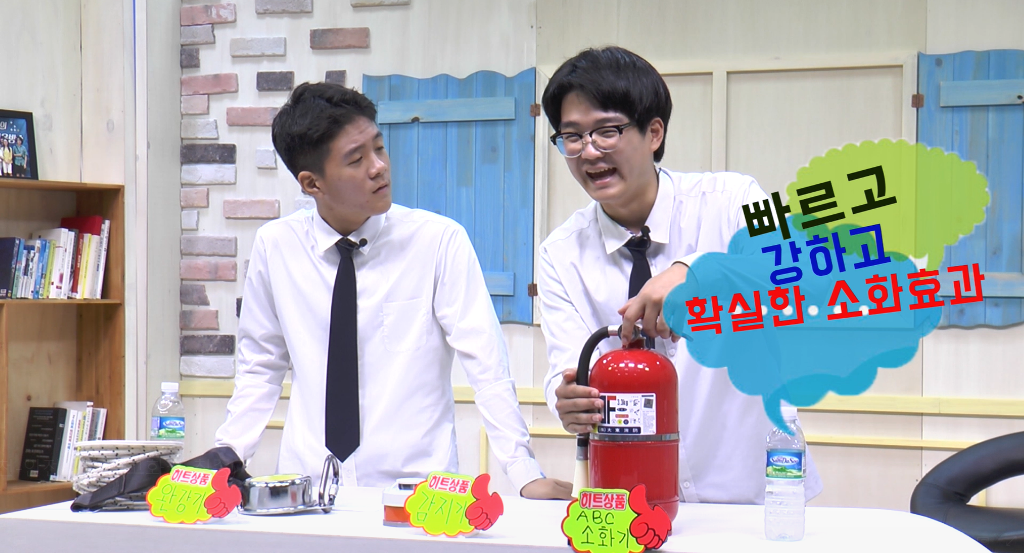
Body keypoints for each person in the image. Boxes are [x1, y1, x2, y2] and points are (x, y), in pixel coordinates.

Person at [214, 82, 571, 500]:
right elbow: (260, 366)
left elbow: (487, 366)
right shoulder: (276, 246)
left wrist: (524, 472)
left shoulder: (438, 241)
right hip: (308, 489)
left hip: (417, 496)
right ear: (312, 184)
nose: (379, 167)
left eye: (379, 148)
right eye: (356, 159)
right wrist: (224, 457)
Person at [538, 46, 823, 505]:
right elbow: (568, 366)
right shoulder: (560, 254)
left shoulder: (731, 199)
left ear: (654, 132)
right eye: (571, 136)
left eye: (606, 131)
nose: (588, 152)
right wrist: (567, 399)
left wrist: (698, 269)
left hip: (755, 496)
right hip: (632, 500)